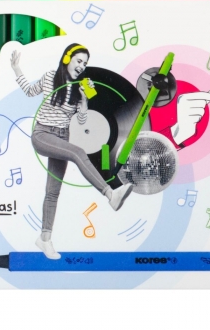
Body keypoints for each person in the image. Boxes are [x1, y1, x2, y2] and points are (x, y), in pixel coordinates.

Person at [11, 43, 133, 259]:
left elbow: (82, 119)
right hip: (43, 134)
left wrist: (85, 99)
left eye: (85, 63)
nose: (81, 66)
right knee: (78, 153)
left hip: (62, 137)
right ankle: (110, 193)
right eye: (79, 61)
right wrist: (17, 69)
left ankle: (44, 239)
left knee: (53, 191)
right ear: (67, 58)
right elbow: (30, 91)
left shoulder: (79, 87)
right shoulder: (50, 77)